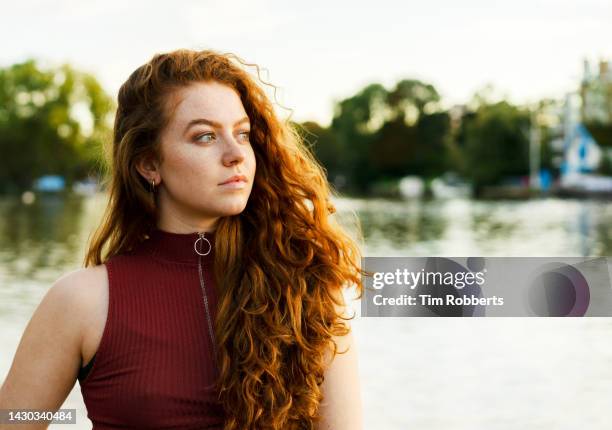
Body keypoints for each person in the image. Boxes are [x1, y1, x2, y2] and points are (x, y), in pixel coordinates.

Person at [0, 49, 365, 429]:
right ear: (149, 163)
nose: (236, 154)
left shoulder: (309, 285)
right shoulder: (81, 301)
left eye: (242, 133)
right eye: (205, 136)